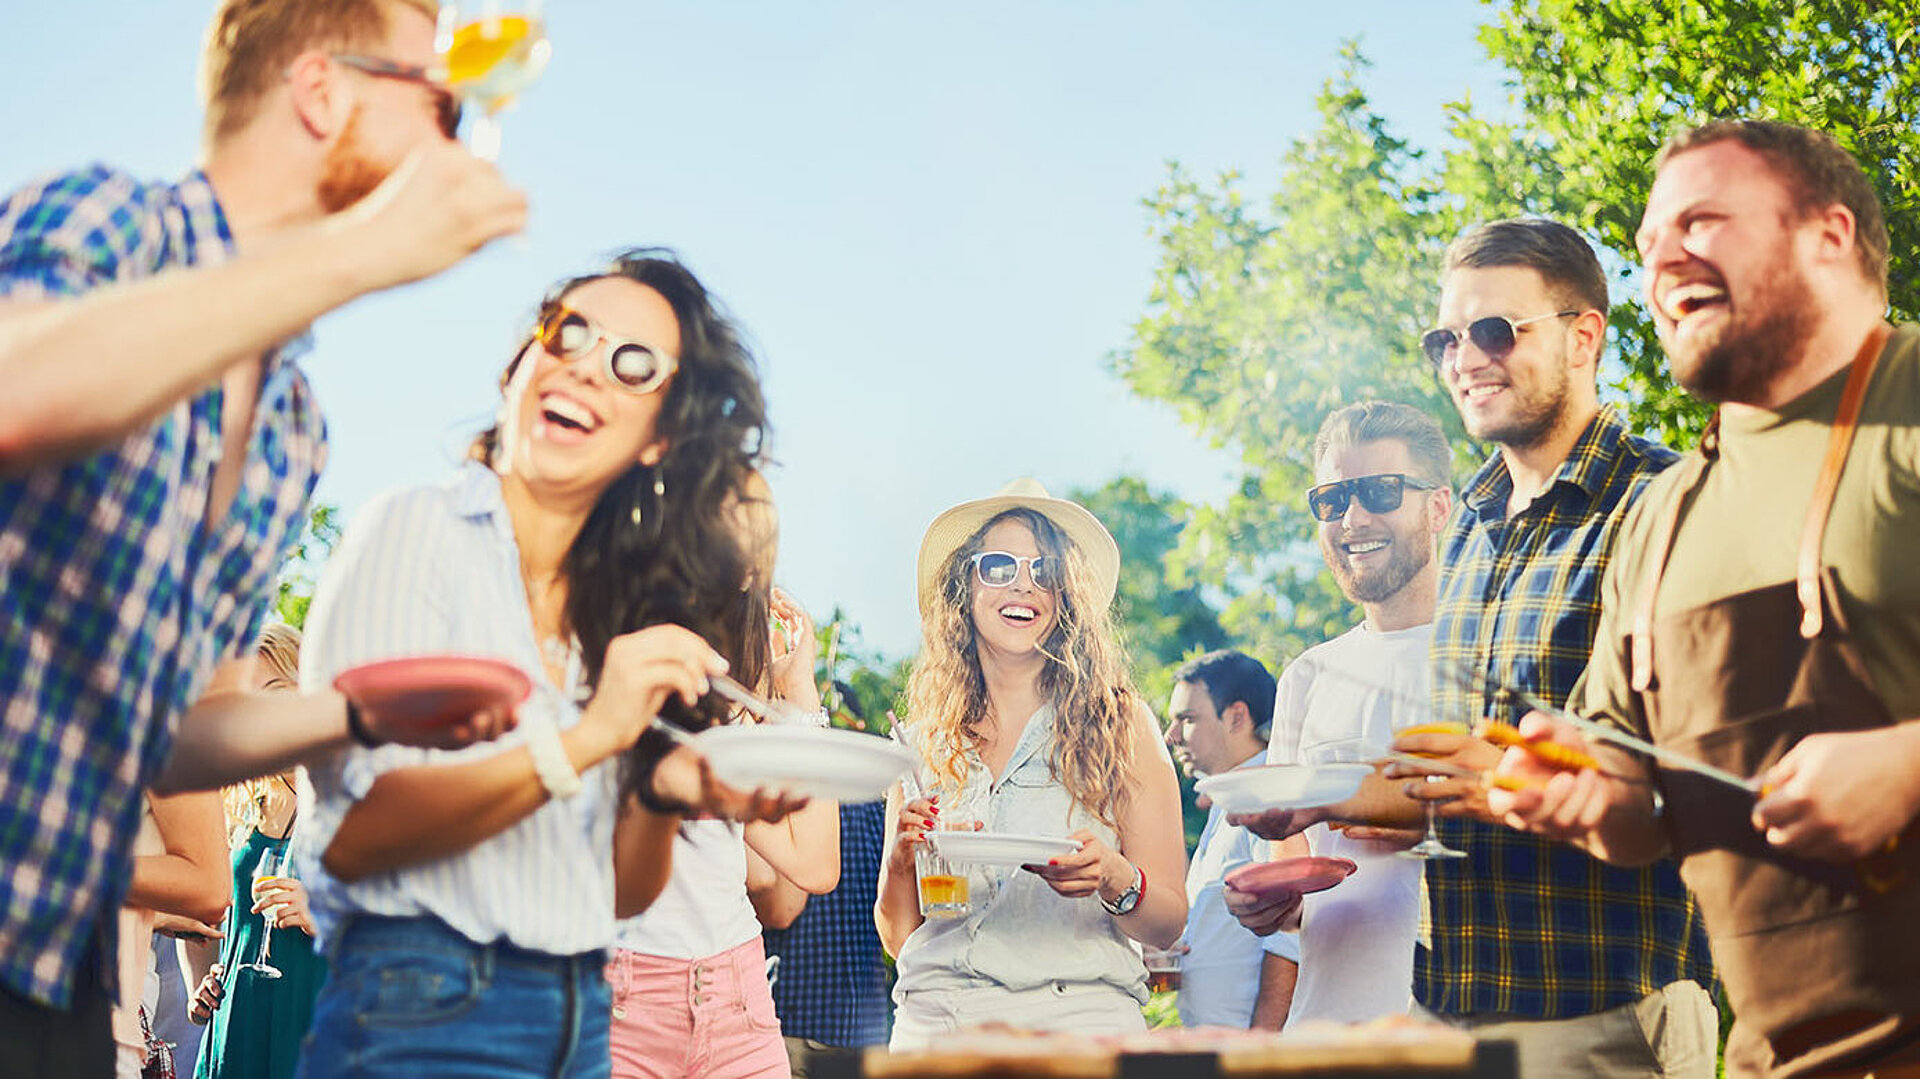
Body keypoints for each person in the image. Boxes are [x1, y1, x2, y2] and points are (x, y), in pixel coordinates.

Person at [0, 1, 523, 1067]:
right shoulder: (115, 221)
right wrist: (361, 249)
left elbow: (192, 731)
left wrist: (359, 709)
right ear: (323, 91)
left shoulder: (291, 424)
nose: (452, 128)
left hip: (58, 963)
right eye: (430, 93)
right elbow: (19, 387)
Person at [292, 249, 806, 1076]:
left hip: (585, 1016)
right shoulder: (418, 529)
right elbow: (357, 835)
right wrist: (587, 737)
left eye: (633, 365)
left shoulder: (619, 616)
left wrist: (660, 791)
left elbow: (620, 894)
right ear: (518, 365)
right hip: (428, 1009)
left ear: (661, 438)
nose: (587, 369)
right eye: (567, 334)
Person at [1488, 120, 1920, 1078]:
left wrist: (1909, 762)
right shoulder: (1663, 513)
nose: (1663, 260)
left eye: (1704, 221)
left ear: (1830, 236)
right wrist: (1590, 794)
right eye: (1649, 246)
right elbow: (1633, 804)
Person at [1398, 218, 1716, 1076]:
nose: (1466, 358)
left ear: (1585, 337)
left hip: (1609, 1011)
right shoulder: (1465, 526)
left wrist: (1498, 776)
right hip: (1456, 1009)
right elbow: (1470, 771)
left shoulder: (1670, 499)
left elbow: (1703, 762)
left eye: (1497, 330)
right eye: (1447, 338)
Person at [877, 479, 1187, 1048]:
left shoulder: (1123, 724)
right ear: (963, 587)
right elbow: (901, 937)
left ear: (1065, 595)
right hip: (937, 1029)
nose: (1023, 583)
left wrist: (1114, 878)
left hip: (1078, 1029)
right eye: (997, 566)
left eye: (1044, 569)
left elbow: (1168, 919)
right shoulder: (921, 745)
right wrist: (902, 860)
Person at [1225, 402, 1450, 1030]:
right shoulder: (1308, 675)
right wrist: (1270, 901)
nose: (1354, 518)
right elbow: (1293, 860)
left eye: (1380, 491)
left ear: (1438, 507)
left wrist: (1340, 800)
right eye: (1332, 499)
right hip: (1326, 1027)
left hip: (1460, 1028)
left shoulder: (1488, 648)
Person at [606, 570, 841, 1079]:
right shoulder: (612, 704)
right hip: (627, 1001)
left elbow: (817, 865)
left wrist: (799, 687)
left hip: (739, 1000)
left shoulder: (733, 727)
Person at [190, 624, 327, 1079]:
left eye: (275, 691)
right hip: (237, 1022)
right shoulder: (243, 799)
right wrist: (206, 982)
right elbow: (218, 922)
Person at [754, 682, 893, 1076]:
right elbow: (780, 909)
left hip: (814, 1026)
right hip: (833, 1029)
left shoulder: (867, 799)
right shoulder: (869, 799)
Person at [1162, 648, 1295, 1029]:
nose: (1171, 736)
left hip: (1247, 1051)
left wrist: (1261, 1048)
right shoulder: (1227, 799)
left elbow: (1289, 935)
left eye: (1186, 719)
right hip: (1214, 1043)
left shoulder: (1267, 800)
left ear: (1237, 716)